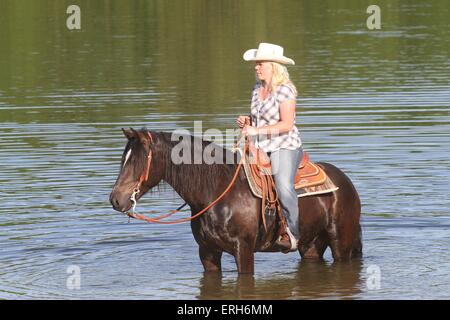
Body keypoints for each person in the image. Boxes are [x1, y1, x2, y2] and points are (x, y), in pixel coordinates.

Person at [236, 43, 303, 252]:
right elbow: (260, 120)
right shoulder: (257, 89)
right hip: (259, 146)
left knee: (283, 186)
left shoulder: (285, 90)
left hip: (284, 145)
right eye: (256, 64)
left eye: (260, 64)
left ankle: (293, 233)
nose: (256, 68)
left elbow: (286, 124)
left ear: (273, 66)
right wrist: (249, 122)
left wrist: (256, 131)